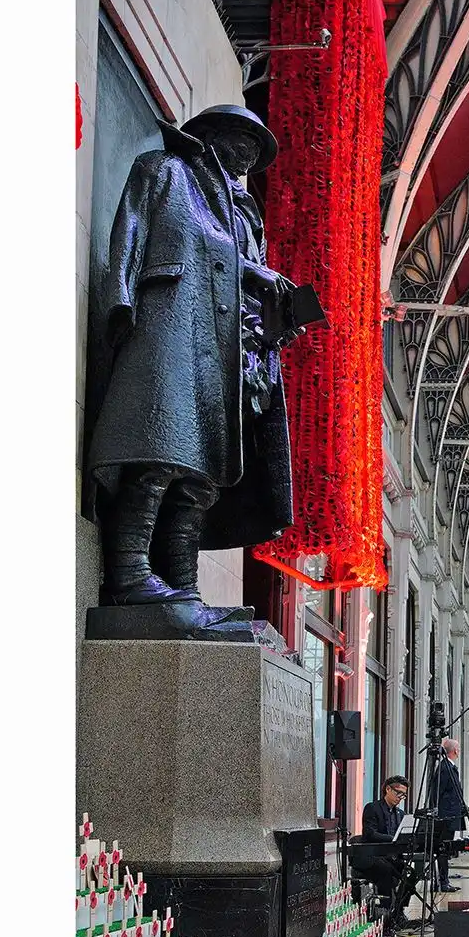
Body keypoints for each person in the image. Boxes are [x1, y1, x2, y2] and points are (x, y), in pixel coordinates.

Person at [85, 105, 317, 627]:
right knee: (160, 453)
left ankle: (182, 587)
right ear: (212, 135)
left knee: (204, 479)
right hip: (174, 329)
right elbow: (165, 234)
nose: (250, 157)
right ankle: (128, 574)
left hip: (227, 355)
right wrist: (249, 271)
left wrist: (275, 322)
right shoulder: (168, 172)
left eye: (256, 151)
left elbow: (245, 289)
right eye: (244, 142)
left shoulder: (246, 213)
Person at [357, 776, 410, 926]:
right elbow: (370, 833)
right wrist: (393, 838)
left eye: (403, 795)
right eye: (398, 793)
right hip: (372, 856)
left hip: (391, 856)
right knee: (386, 871)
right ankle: (385, 914)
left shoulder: (400, 814)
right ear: (388, 789)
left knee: (411, 873)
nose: (401, 798)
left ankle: (398, 910)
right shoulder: (372, 808)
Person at [434, 738, 467, 892]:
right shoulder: (446, 768)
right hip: (446, 816)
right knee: (443, 848)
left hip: (449, 814)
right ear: (455, 751)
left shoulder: (448, 767)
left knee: (445, 848)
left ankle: (443, 880)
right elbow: (437, 791)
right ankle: (443, 881)